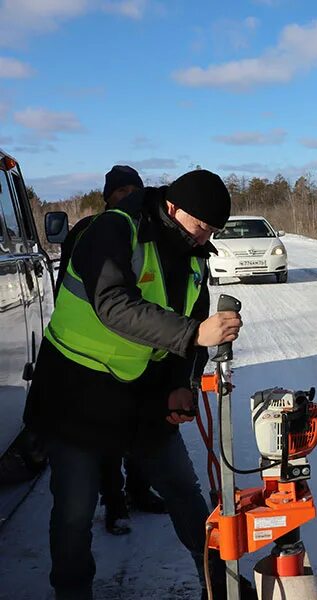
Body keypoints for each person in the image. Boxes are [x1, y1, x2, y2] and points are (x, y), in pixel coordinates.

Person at [24, 169, 248, 599]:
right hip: (76, 391)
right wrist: (193, 334)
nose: (205, 238)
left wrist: (181, 381)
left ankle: (220, 585)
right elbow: (113, 304)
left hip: (142, 395)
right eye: (201, 227)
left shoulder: (193, 251)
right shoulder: (113, 230)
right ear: (172, 208)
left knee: (183, 490)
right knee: (74, 511)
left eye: (212, 232)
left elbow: (191, 317)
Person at [54, 165, 167, 537]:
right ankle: (114, 505)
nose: (128, 195)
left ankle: (139, 492)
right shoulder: (90, 231)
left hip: (137, 352)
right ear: (107, 197)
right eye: (120, 191)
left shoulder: (146, 234)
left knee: (135, 431)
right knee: (105, 443)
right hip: (95, 357)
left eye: (134, 189)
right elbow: (66, 288)